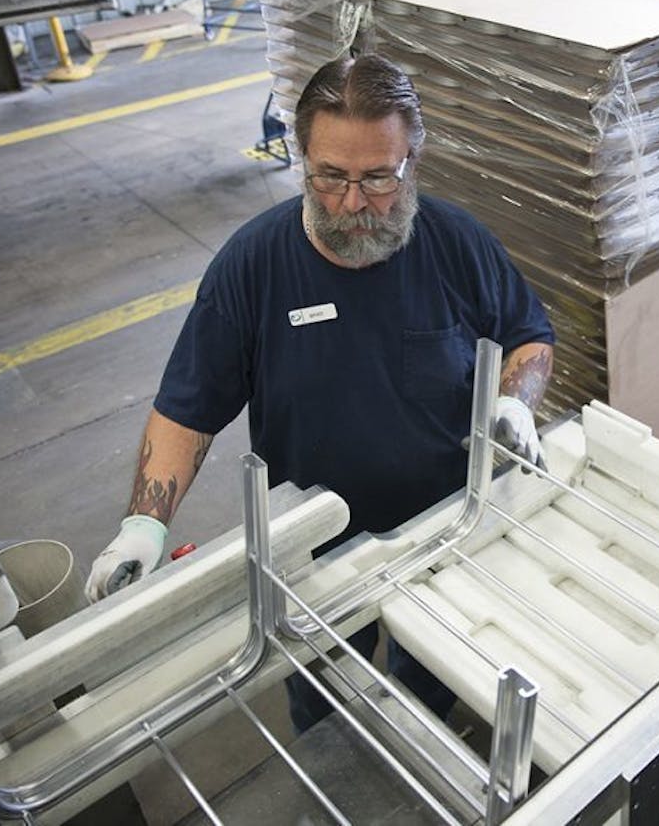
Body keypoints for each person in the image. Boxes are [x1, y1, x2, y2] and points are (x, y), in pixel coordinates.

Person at [84, 53, 556, 731]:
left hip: (446, 537)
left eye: (378, 178)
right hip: (313, 558)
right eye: (330, 175)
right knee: (328, 716)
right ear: (301, 155)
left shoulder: (456, 243)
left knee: (434, 691)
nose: (354, 202)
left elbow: (528, 334)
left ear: (413, 159)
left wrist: (516, 401)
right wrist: (143, 524)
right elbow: (186, 412)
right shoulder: (252, 267)